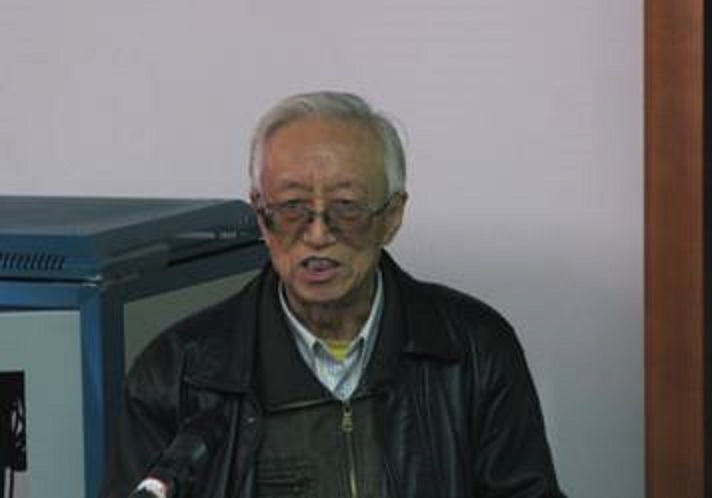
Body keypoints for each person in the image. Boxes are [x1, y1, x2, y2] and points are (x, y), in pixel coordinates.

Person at [102, 91, 565, 497]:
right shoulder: (178, 374)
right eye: (292, 208)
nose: (318, 235)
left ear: (392, 216)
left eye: (346, 208)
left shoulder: (472, 350)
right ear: (261, 218)